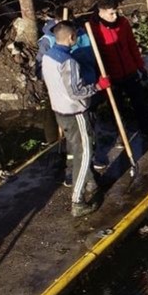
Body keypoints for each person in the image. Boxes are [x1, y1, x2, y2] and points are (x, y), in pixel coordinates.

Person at [42, 21, 111, 217]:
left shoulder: (48, 56)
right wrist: (98, 86)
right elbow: (76, 91)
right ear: (71, 38)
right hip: (75, 112)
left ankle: (90, 180)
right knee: (85, 152)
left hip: (59, 111)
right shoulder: (68, 61)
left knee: (76, 147)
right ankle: (77, 200)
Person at [88, 0, 148, 141]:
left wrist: (140, 66)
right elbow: (94, 56)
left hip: (129, 70)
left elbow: (132, 46)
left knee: (140, 103)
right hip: (111, 75)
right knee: (116, 107)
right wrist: (100, 76)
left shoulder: (123, 23)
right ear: (102, 13)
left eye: (116, 12)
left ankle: (147, 130)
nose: (115, 16)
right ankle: (121, 135)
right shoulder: (94, 29)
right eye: (111, 14)